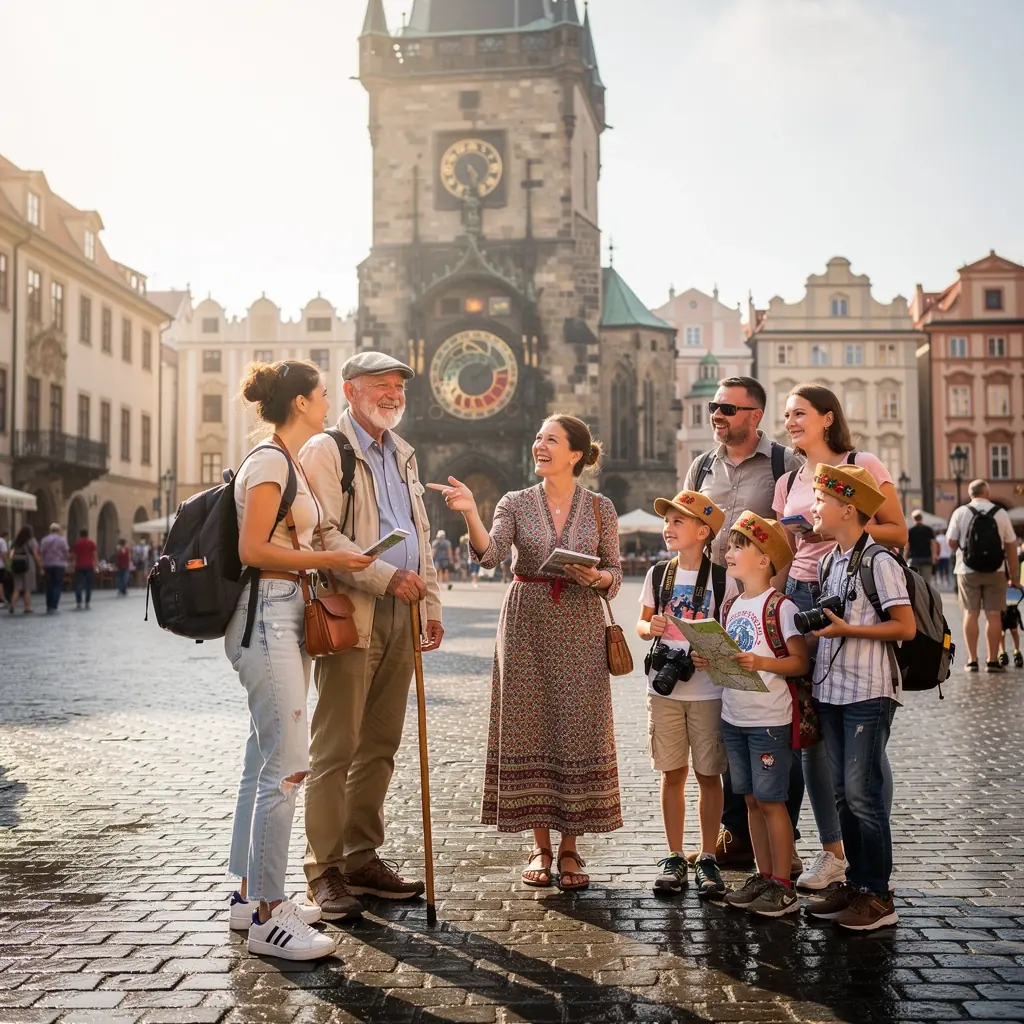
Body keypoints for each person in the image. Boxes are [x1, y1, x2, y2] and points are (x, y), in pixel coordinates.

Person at [225, 358, 377, 960]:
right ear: (300, 404)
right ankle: (268, 913)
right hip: (266, 613)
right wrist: (332, 562)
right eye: (320, 395)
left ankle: (247, 899)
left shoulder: (286, 462)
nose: (325, 404)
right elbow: (253, 548)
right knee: (287, 765)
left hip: (283, 611)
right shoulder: (268, 461)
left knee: (261, 759)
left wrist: (335, 554)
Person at [433, 414, 623, 891]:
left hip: (580, 622)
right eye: (537, 437)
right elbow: (492, 555)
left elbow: (615, 576)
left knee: (578, 729)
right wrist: (471, 512)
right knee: (530, 728)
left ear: (575, 454)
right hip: (525, 623)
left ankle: (571, 847)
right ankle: (540, 846)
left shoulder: (601, 508)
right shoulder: (514, 502)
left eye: (551, 440)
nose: (540, 445)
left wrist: (595, 577)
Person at [300, 352, 442, 919]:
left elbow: (420, 537)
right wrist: (387, 578)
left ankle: (361, 857)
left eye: (397, 387)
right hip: (352, 609)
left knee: (380, 744)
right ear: (349, 390)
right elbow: (322, 536)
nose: (391, 394)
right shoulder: (327, 450)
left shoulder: (402, 454)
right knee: (336, 747)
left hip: (403, 612)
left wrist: (428, 601)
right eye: (379, 385)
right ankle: (324, 868)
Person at [773, 384, 905, 891]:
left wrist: (834, 530)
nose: (791, 422)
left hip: (854, 590)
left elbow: (897, 531)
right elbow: (784, 554)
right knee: (811, 729)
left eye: (800, 413)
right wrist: (773, 604)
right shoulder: (790, 480)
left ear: (828, 418)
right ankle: (833, 853)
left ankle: (873, 854)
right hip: (804, 592)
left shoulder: (861, 462)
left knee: (863, 738)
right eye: (787, 415)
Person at [682, 376, 803, 871]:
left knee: (773, 715)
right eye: (715, 406)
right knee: (728, 708)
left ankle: (782, 838)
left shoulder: (784, 464)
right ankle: (737, 829)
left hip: (769, 606)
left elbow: (796, 535)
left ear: (756, 415)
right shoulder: (701, 465)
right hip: (717, 604)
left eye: (728, 408)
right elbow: (690, 528)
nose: (717, 415)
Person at [804, 463, 915, 930]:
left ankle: (878, 895)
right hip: (832, 689)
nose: (813, 507)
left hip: (869, 690)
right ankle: (856, 883)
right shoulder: (830, 560)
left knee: (861, 792)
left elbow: (905, 627)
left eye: (820, 501)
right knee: (842, 795)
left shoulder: (879, 561)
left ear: (847, 509)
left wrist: (850, 628)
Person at [636, 491, 737, 900]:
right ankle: (675, 854)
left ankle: (708, 856)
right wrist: (652, 627)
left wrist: (710, 652)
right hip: (663, 686)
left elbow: (732, 634)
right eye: (667, 521)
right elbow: (641, 625)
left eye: (678, 522)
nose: (668, 528)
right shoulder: (658, 574)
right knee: (672, 773)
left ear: (703, 532)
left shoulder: (721, 579)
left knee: (708, 775)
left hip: (708, 690)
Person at [714, 512, 809, 918]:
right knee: (750, 799)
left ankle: (783, 886)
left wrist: (761, 663)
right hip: (735, 716)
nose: (730, 552)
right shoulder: (733, 604)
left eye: (739, 546)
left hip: (769, 719)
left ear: (764, 559)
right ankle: (763, 873)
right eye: (731, 545)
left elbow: (800, 662)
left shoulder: (780, 606)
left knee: (773, 802)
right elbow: (732, 659)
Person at [946, 479, 1019, 673]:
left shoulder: (961, 512)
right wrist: (1015, 577)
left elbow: (951, 543)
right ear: (987, 493)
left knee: (970, 613)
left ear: (971, 494)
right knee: (993, 615)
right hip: (996, 570)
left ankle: (972, 660)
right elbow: (1011, 546)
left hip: (967, 569)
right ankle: (992, 660)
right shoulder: (1001, 513)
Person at [8, 525, 41, 614]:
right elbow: (35, 554)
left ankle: (12, 605)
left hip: (16, 565)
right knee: (27, 588)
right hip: (28, 565)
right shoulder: (31, 541)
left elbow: (11, 554)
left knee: (17, 587)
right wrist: (40, 565)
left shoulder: (15, 542)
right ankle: (27, 607)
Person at [39, 522, 70, 614]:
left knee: (49, 585)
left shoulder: (44, 540)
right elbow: (66, 552)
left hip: (47, 565)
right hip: (59, 565)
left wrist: (42, 564)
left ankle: (48, 605)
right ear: (58, 530)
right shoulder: (62, 540)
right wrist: (67, 560)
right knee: (57, 585)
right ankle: (54, 605)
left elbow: (42, 553)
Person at [905, 510, 939, 583]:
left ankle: (918, 594)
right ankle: (926, 594)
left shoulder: (910, 531)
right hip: (927, 558)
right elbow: (933, 544)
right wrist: (934, 556)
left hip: (914, 559)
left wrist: (905, 556)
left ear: (913, 519)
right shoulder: (928, 530)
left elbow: (907, 545)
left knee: (915, 581)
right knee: (926, 582)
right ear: (921, 518)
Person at [71, 528, 97, 610]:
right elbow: (94, 554)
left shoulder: (77, 543)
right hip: (89, 566)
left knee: (78, 584)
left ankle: (79, 602)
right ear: (87, 534)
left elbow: (74, 555)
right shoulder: (91, 543)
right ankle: (87, 602)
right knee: (88, 585)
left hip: (79, 566)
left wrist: (72, 564)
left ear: (80, 534)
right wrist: (96, 564)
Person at [0, 528, 10, 606]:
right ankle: (2, 599)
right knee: (1, 583)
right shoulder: (2, 542)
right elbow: (3, 554)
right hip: (0, 565)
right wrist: (7, 564)